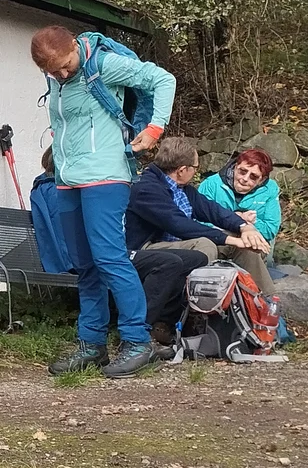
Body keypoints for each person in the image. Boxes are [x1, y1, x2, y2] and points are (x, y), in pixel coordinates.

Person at [34, 25, 176, 379]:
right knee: (85, 265)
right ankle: (92, 344)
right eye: (52, 72)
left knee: (110, 258)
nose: (62, 75)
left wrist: (154, 129)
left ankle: (137, 340)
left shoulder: (103, 64)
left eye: (65, 66)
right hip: (67, 179)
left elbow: (163, 79)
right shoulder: (57, 78)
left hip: (106, 176)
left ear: (73, 47)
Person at [37, 147, 205, 355]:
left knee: (196, 258)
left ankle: (163, 324)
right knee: (168, 263)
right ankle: (138, 334)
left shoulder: (90, 189)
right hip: (104, 255)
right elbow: (74, 239)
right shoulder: (59, 192)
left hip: (117, 250)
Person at [126, 136, 275, 296]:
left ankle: (267, 300)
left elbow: (212, 210)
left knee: (242, 245)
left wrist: (244, 227)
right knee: (204, 245)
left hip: (180, 242)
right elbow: (178, 224)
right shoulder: (146, 189)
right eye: (195, 167)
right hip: (147, 248)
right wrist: (230, 240)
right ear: (182, 170)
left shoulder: (183, 188)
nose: (196, 171)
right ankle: (199, 302)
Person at [196, 148, 283, 249]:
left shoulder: (270, 189)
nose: (245, 179)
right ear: (235, 167)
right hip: (217, 240)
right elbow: (198, 221)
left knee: (252, 248)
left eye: (253, 177)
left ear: (261, 180)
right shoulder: (211, 184)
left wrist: (253, 222)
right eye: (242, 171)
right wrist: (235, 220)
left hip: (252, 243)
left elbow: (270, 230)